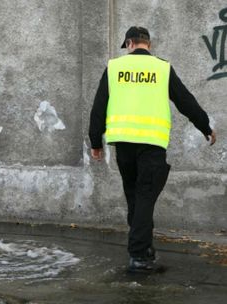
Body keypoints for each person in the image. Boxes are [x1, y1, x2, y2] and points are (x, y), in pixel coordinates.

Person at [88, 26, 216, 272]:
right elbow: (185, 101)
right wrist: (205, 126)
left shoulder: (114, 67)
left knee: (135, 197)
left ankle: (143, 248)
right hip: (152, 144)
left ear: (129, 44)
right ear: (149, 44)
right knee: (145, 198)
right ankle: (139, 256)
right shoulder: (162, 68)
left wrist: (96, 142)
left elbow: (98, 106)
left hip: (123, 145)